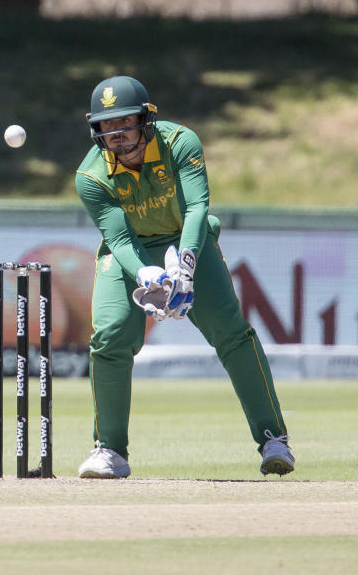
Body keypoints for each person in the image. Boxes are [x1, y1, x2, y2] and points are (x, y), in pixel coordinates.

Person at [73, 75, 294, 479]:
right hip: (131, 251)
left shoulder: (180, 144)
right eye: (107, 126)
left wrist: (186, 267)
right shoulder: (90, 177)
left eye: (125, 123)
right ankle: (110, 451)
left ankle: (273, 440)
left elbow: (196, 208)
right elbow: (118, 235)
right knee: (110, 337)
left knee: (231, 332)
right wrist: (148, 274)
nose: (117, 135)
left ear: (146, 119)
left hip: (186, 238)